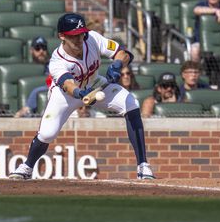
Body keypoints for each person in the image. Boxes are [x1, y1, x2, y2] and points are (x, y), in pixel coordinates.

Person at [9, 13, 155, 180]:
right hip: (66, 95)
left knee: (131, 103)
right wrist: (80, 93)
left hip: (95, 84)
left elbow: (124, 53)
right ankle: (27, 166)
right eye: (73, 36)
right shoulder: (57, 60)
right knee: (47, 134)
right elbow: (68, 84)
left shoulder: (91, 38)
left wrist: (117, 64)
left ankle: (143, 165)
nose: (79, 38)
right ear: (62, 36)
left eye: (81, 33)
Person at [15, 37, 50, 117]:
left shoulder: (53, 66)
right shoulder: (25, 68)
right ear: (31, 50)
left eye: (43, 48)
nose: (41, 51)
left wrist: (36, 92)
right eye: (37, 48)